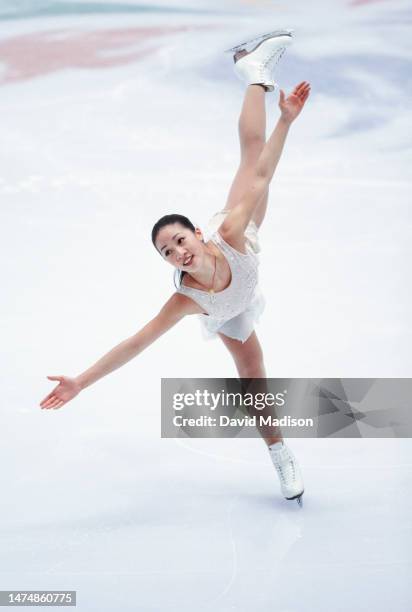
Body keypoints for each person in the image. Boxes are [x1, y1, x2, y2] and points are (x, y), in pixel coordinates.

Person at [40, 30, 311, 506]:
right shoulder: (190, 299)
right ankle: (280, 452)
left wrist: (285, 121)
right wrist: (80, 381)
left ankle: (253, 76)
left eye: (180, 241)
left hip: (239, 246)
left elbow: (266, 174)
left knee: (252, 161)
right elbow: (135, 343)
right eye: (168, 252)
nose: (178, 253)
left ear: (198, 236)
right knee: (254, 381)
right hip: (232, 311)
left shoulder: (228, 233)